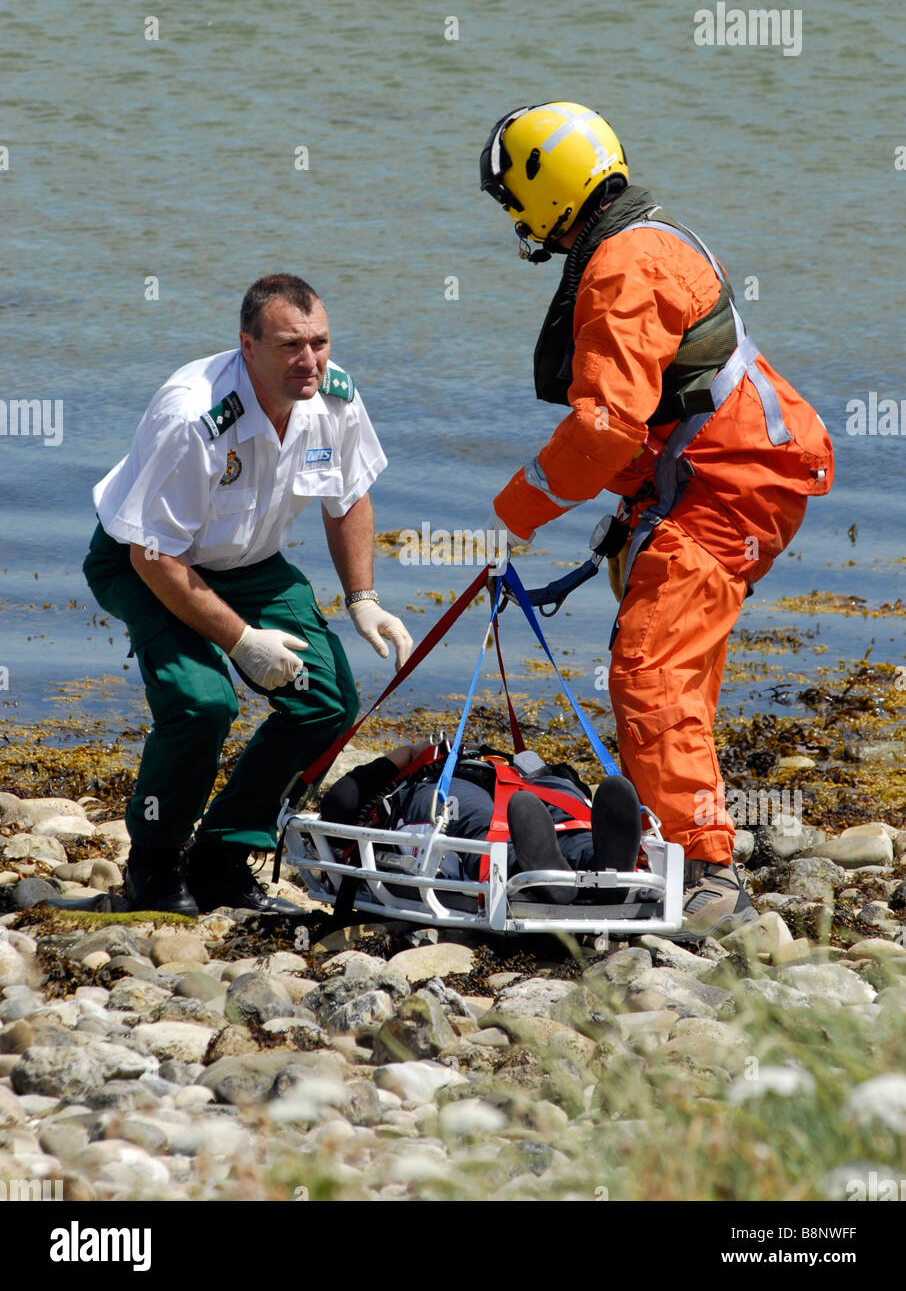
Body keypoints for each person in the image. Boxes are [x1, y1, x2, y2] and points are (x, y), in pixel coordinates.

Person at [479, 102, 834, 936]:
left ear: (547, 186)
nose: (513, 218)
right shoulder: (642, 240)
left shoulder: (622, 266)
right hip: (730, 475)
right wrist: (630, 513)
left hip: (733, 482)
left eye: (511, 200)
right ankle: (680, 844)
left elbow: (608, 425)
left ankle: (708, 874)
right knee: (675, 667)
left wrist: (514, 511)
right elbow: (662, 408)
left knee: (649, 672)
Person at [83, 273, 413, 918]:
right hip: (145, 561)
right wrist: (241, 642)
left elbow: (347, 497)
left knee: (326, 703)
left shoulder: (333, 396)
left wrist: (363, 598)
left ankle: (223, 857)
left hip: (252, 564)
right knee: (200, 704)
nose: (309, 360)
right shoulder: (195, 417)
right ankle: (151, 863)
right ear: (247, 345)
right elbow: (151, 553)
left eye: (319, 342)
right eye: (291, 345)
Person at [320, 741, 644, 906]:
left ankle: (560, 867)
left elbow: (341, 799)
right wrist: (413, 753)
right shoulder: (403, 778)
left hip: (491, 777)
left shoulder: (407, 774)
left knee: (493, 823)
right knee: (558, 810)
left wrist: (413, 752)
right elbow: (342, 802)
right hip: (503, 778)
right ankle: (589, 860)